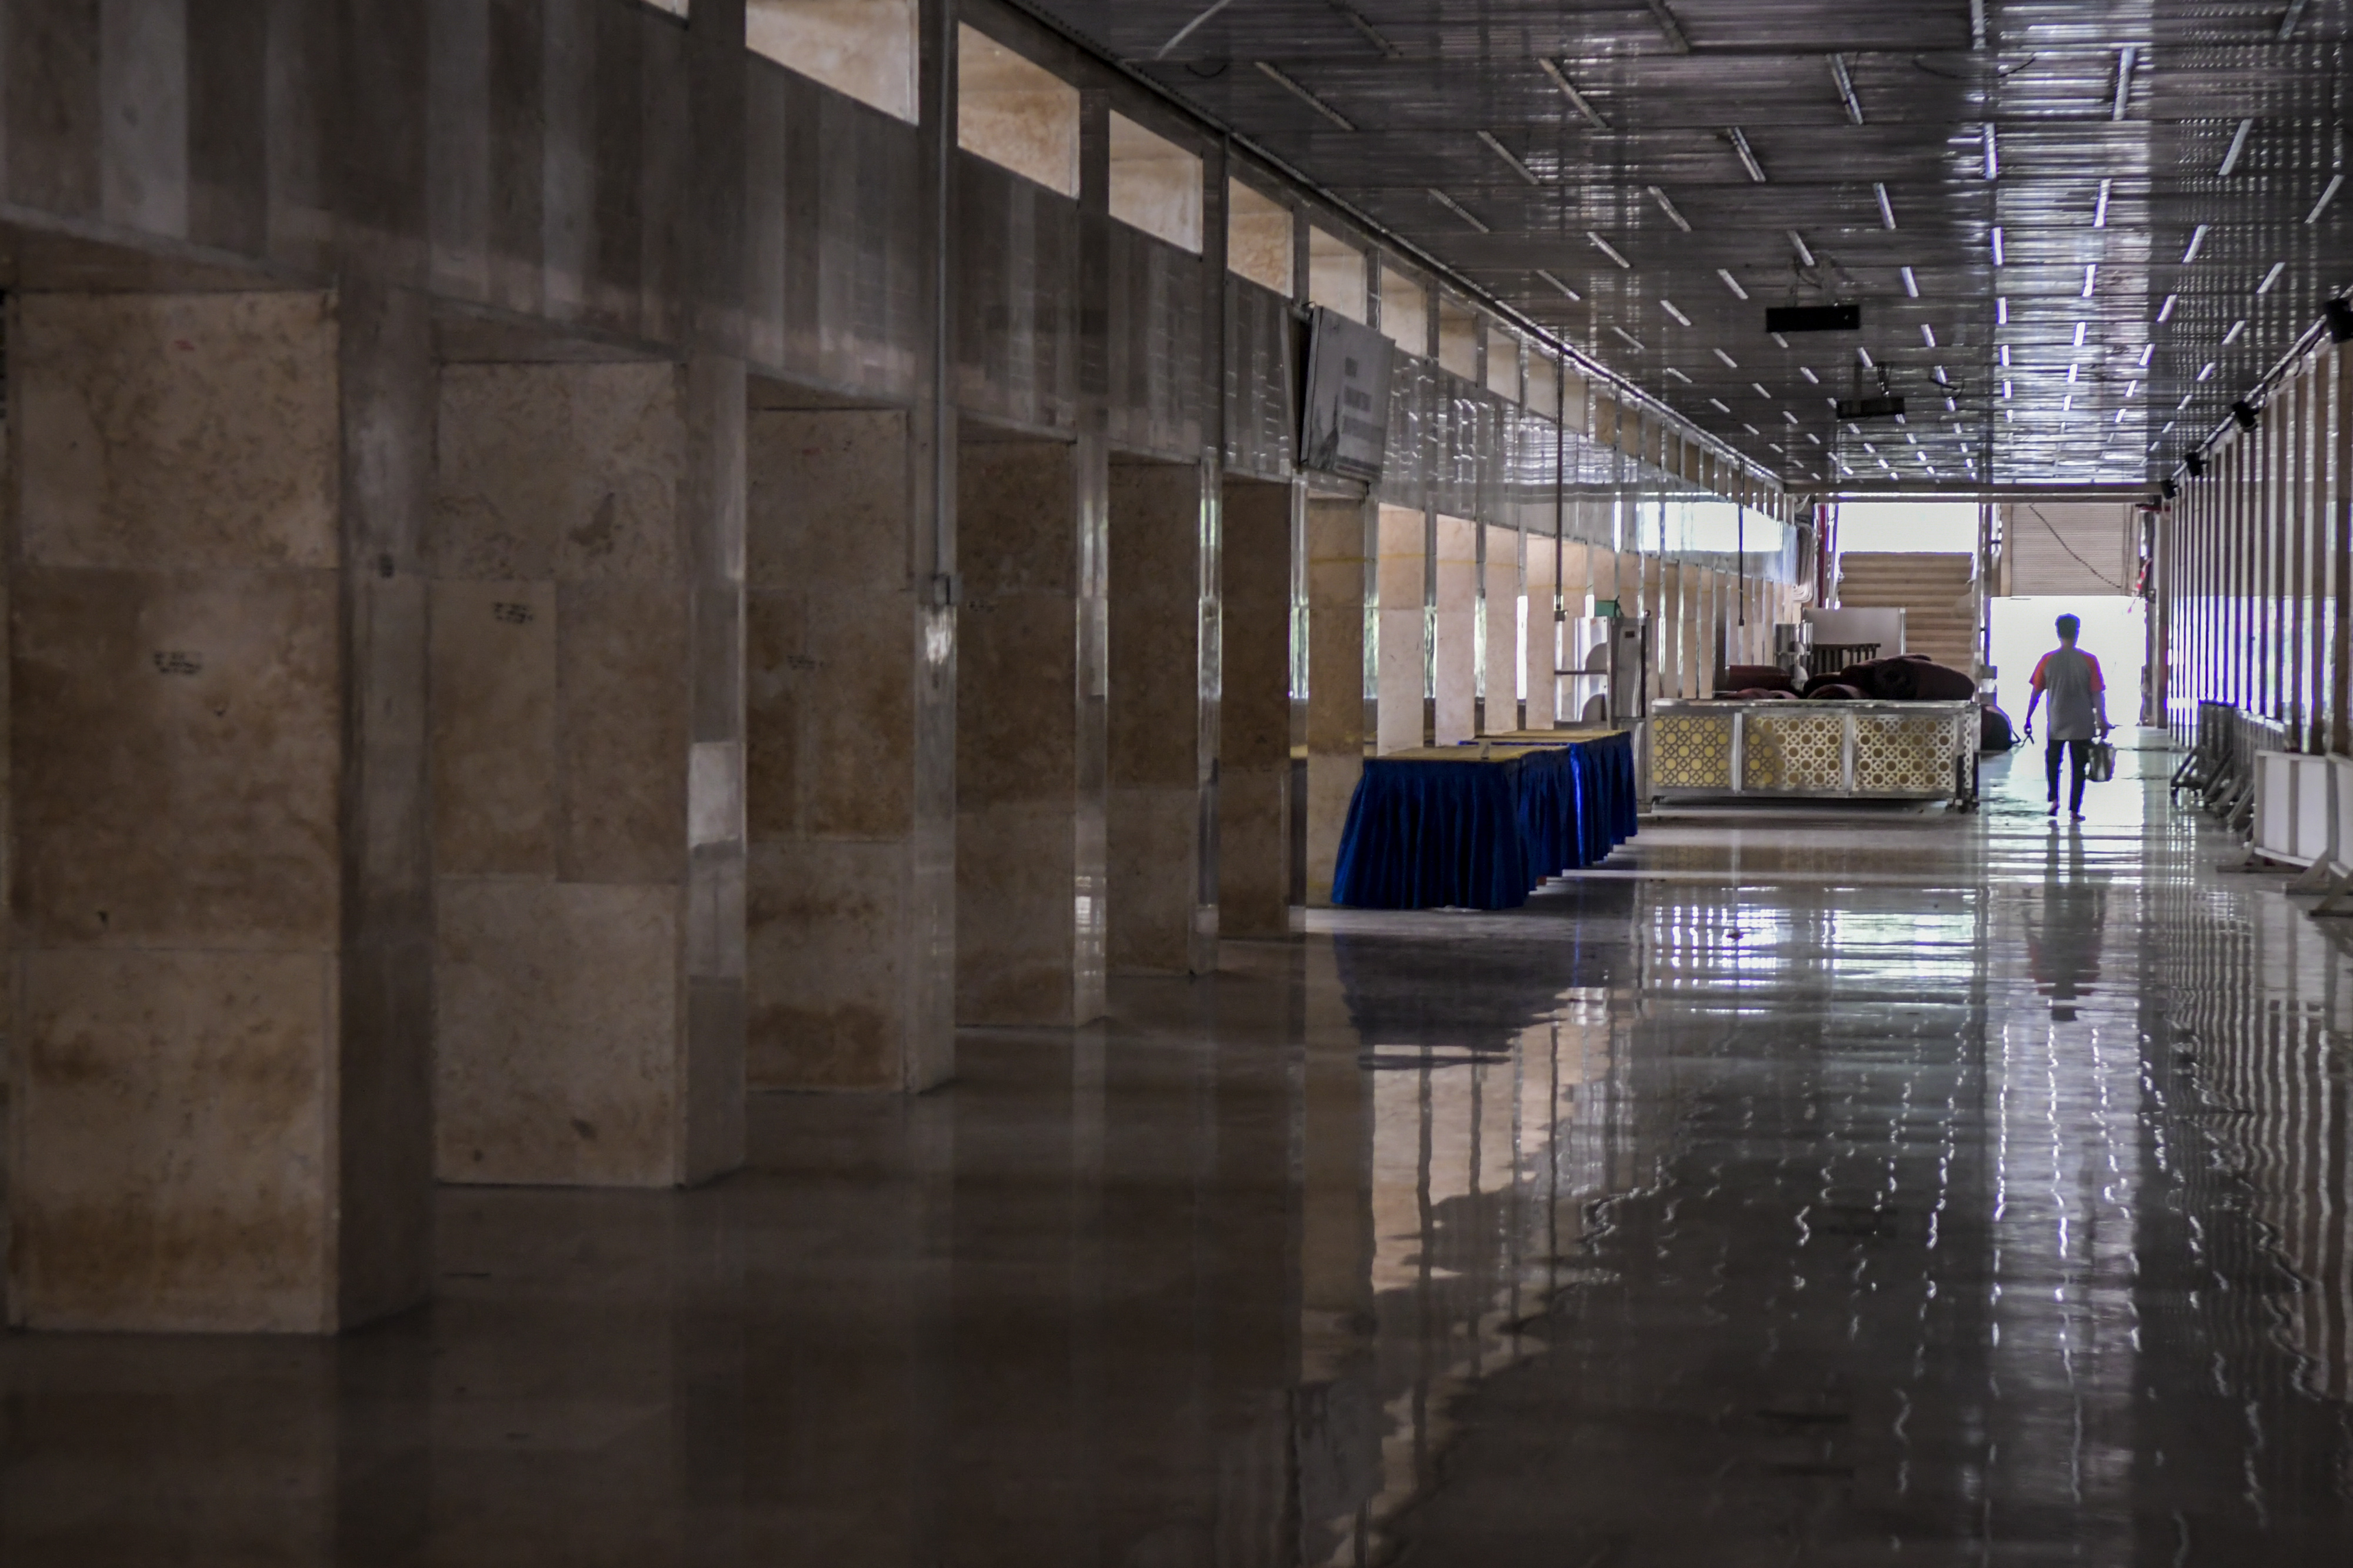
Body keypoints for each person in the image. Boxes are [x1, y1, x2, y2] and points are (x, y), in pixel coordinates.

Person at [2021, 613, 2111, 821]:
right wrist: (2102, 720)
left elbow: (2036, 692)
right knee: (2078, 766)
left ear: (2058, 632)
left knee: (2053, 761)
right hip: (2082, 722)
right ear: (2077, 632)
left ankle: (2054, 801)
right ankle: (2074, 810)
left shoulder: (2047, 660)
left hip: (2057, 721)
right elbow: (2097, 693)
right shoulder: (2089, 660)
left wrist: (2028, 718)